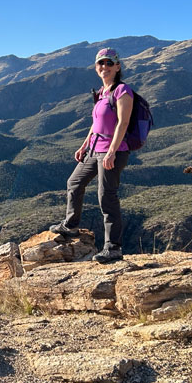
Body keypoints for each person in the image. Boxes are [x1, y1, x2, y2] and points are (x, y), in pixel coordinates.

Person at [49, 47, 133, 263]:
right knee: (74, 182)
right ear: (96, 68)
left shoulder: (122, 91)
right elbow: (96, 125)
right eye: (100, 64)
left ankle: (113, 247)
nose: (104, 67)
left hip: (112, 150)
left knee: (106, 196)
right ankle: (71, 225)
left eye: (108, 63)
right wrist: (84, 145)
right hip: (95, 148)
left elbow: (122, 123)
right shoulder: (101, 93)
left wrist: (112, 151)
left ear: (117, 66)